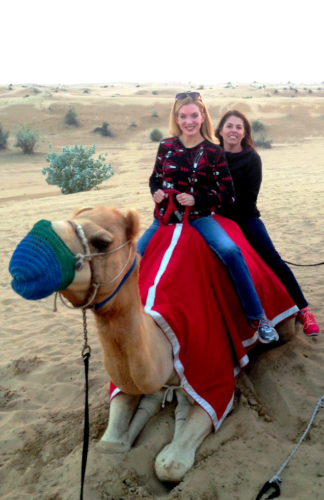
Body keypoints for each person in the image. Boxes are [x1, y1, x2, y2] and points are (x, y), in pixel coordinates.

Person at [137, 91, 278, 343]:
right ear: (177, 118)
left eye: (193, 115)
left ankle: (258, 318)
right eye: (183, 116)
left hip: (200, 218)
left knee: (231, 251)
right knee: (134, 258)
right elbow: (155, 178)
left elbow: (228, 193)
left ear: (202, 117)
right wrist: (155, 192)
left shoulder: (213, 151)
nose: (188, 121)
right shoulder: (166, 146)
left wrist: (197, 200)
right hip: (163, 220)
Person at [215, 109, 320, 337]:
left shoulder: (252, 158)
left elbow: (248, 198)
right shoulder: (210, 155)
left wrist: (216, 201)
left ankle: (303, 309)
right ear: (220, 130)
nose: (233, 130)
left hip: (244, 217)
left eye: (239, 127)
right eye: (229, 126)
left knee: (271, 257)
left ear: (245, 133)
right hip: (214, 217)